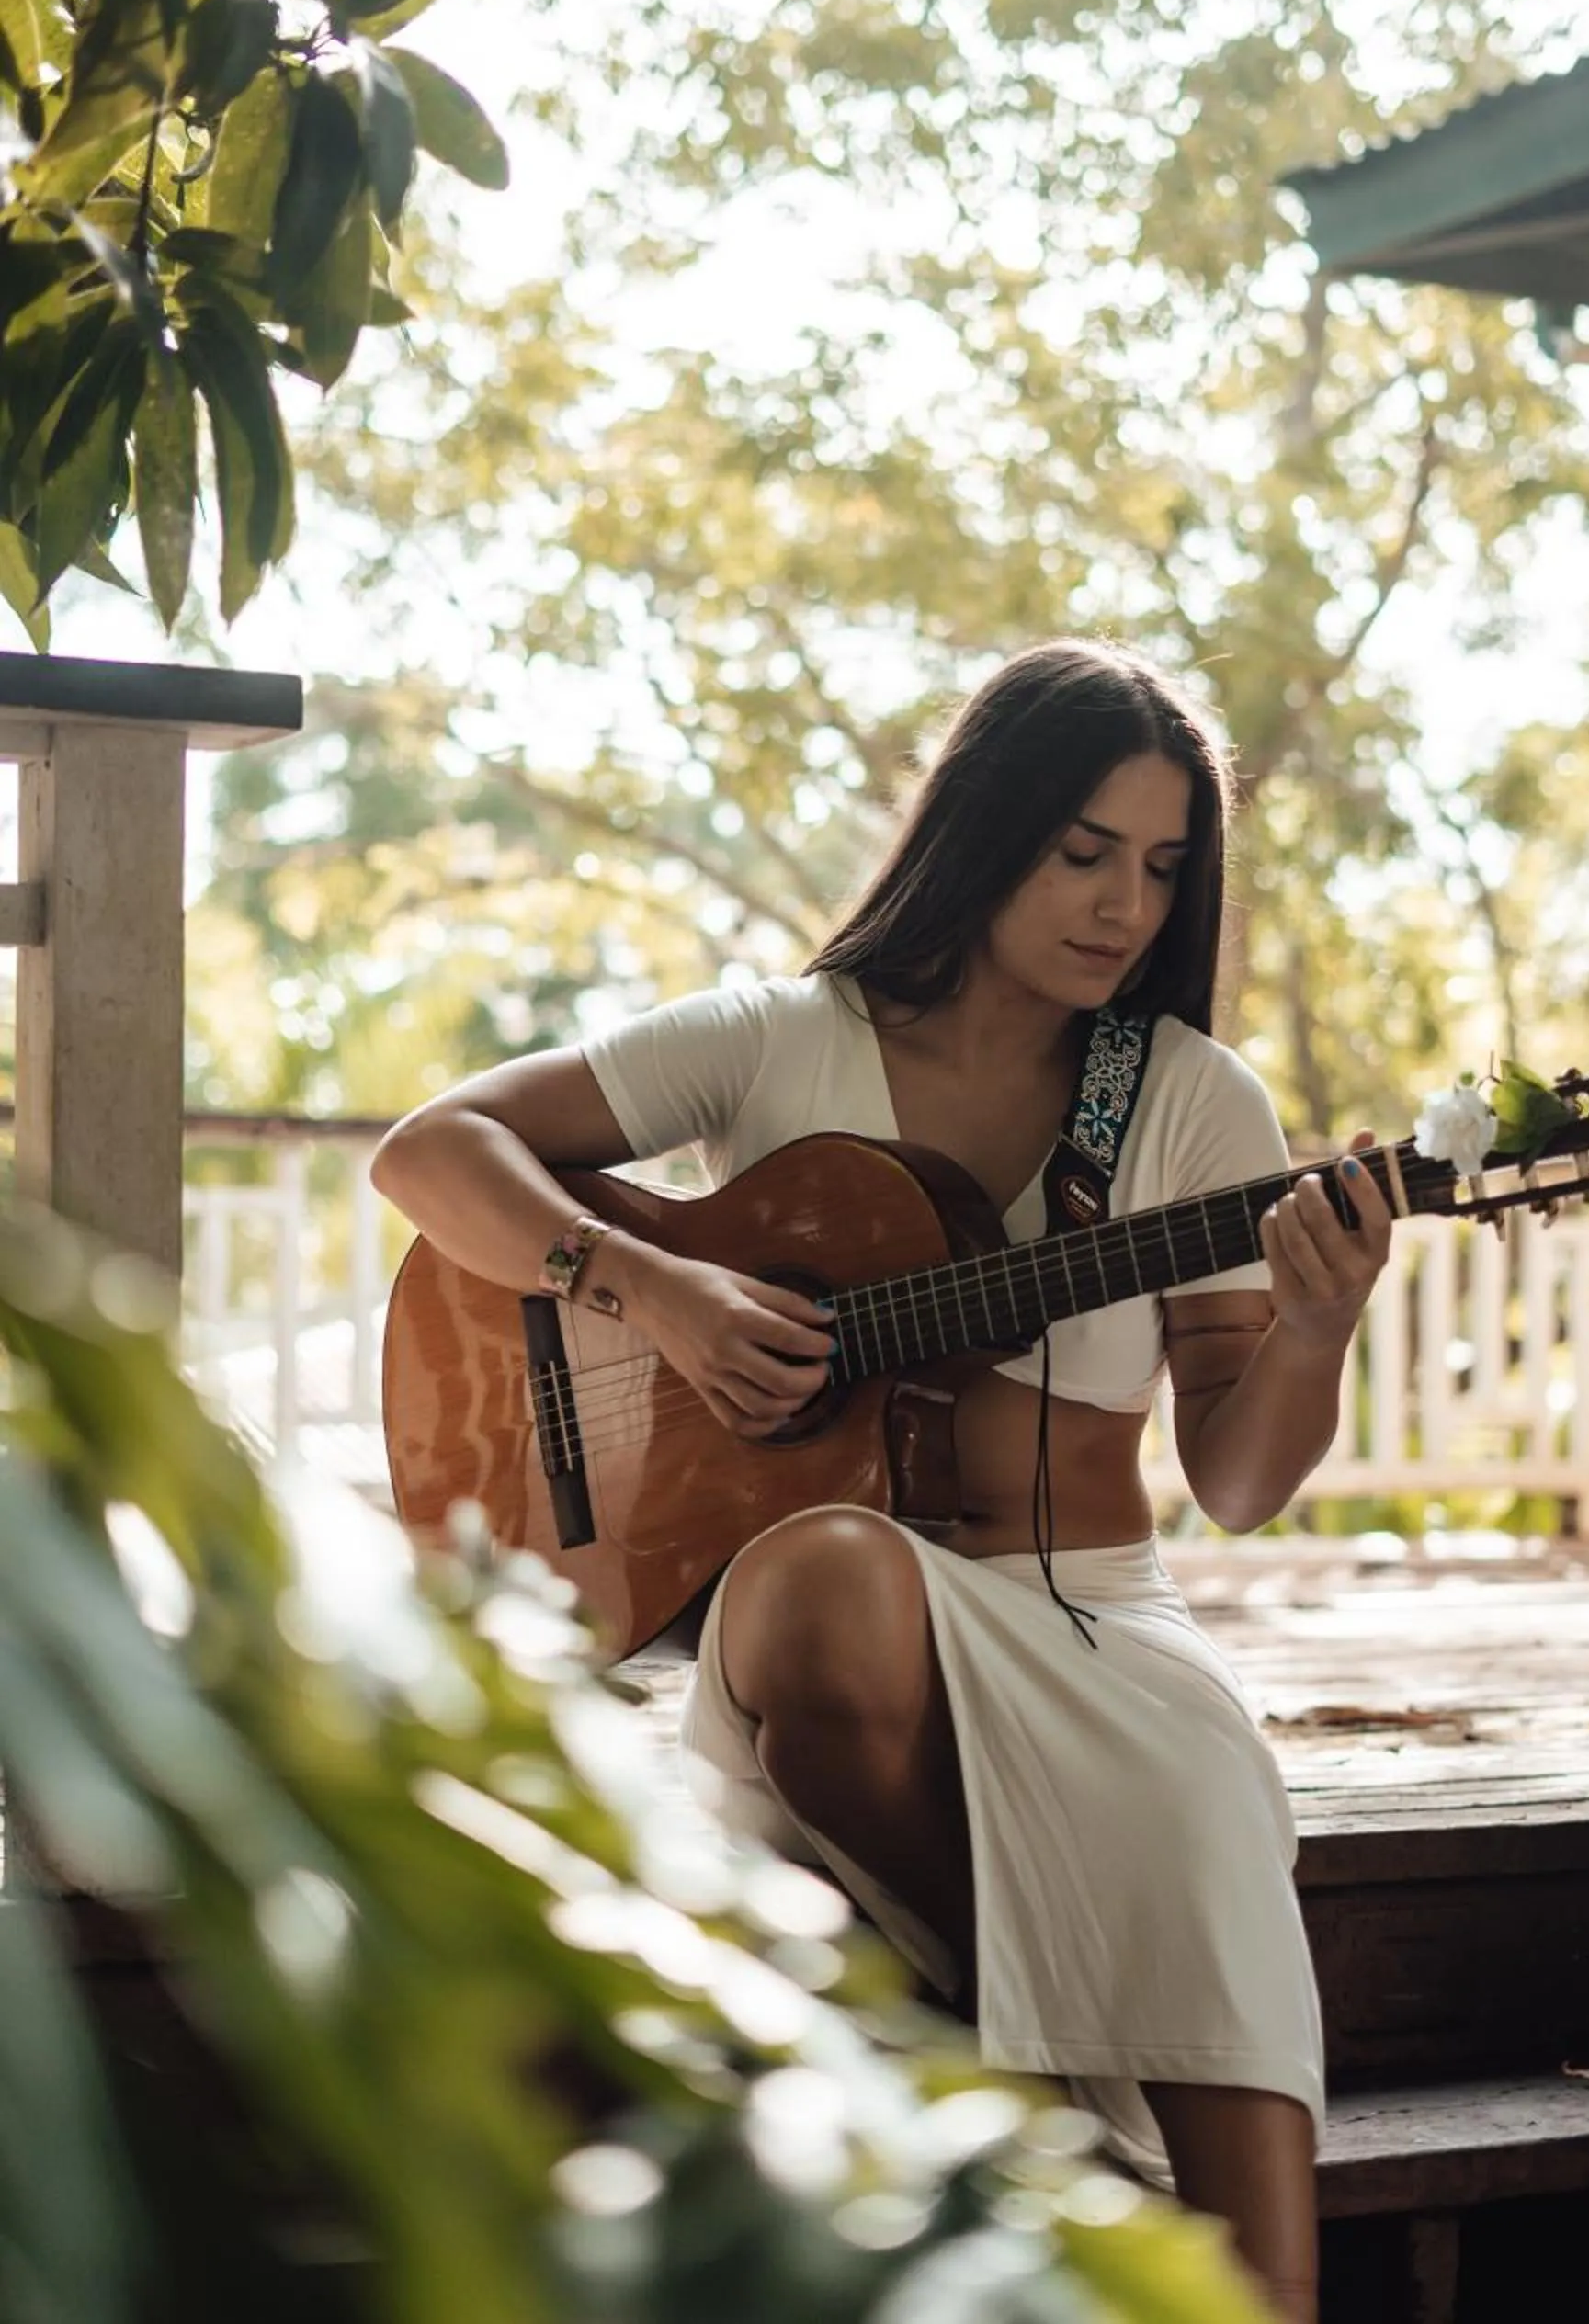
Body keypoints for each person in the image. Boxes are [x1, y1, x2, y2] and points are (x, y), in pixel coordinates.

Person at [371, 641, 1391, 2321]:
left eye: (1160, 867)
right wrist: (654, 1287)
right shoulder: (779, 1044)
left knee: (1260, 2282)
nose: (1122, 905)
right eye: (1082, 852)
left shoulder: (1195, 1103)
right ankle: (1057, 2095)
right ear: (982, 830)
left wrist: (1314, 1329)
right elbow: (432, 1153)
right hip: (835, 1643)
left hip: (1100, 1640)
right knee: (827, 1569)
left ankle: (1050, 2119)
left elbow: (1240, 1476)